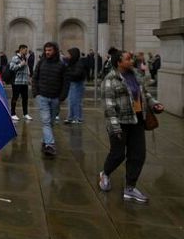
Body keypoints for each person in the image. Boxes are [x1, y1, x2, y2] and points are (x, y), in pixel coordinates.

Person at [98, 51, 165, 204]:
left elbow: (144, 94)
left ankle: (130, 187)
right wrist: (115, 128)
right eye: (128, 59)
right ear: (118, 63)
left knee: (138, 155)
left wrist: (154, 104)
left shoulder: (135, 75)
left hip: (137, 120)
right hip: (120, 122)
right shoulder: (110, 80)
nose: (132, 60)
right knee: (118, 154)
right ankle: (105, 173)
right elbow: (109, 108)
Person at [32, 42, 69, 157]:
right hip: (42, 97)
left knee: (50, 122)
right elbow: (35, 78)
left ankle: (45, 140)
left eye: (50, 50)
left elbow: (65, 82)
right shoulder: (41, 63)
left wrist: (62, 97)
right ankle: (50, 145)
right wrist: (36, 93)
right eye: (46, 50)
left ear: (55, 51)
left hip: (55, 98)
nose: (47, 52)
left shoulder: (61, 65)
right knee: (46, 121)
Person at [8, 45, 31, 121]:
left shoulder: (25, 57)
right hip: (17, 81)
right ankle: (13, 113)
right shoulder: (15, 58)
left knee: (25, 98)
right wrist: (20, 64)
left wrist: (29, 78)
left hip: (24, 82)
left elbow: (26, 69)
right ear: (21, 49)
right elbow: (11, 67)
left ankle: (25, 113)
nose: (26, 51)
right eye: (25, 50)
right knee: (15, 97)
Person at [64, 47, 86, 124]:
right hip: (72, 83)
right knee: (70, 101)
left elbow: (77, 74)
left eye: (69, 54)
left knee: (76, 101)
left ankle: (78, 118)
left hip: (77, 84)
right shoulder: (71, 62)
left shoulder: (79, 63)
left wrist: (68, 73)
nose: (68, 56)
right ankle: (70, 117)